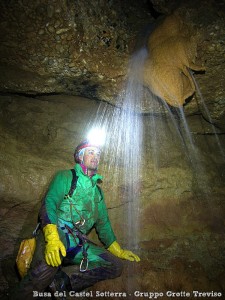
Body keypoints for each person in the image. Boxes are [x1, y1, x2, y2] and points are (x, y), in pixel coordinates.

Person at [13, 139, 140, 299]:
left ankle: (61, 282)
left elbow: (103, 224)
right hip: (57, 234)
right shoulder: (66, 177)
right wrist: (52, 238)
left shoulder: (97, 193)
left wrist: (118, 250)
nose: (96, 156)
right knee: (49, 262)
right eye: (91, 152)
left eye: (98, 153)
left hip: (77, 243)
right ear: (80, 157)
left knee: (115, 265)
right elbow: (50, 202)